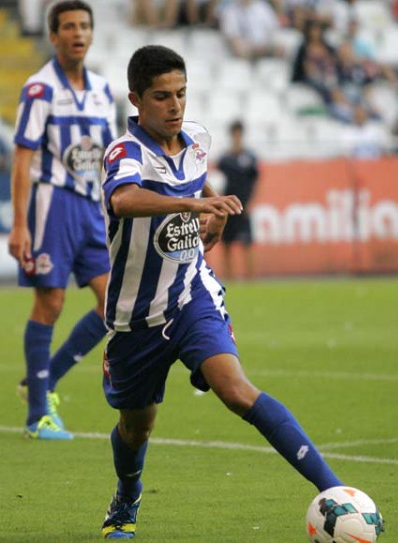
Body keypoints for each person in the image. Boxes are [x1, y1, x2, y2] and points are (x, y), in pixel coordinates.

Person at [98, 44, 343, 540]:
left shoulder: (197, 140)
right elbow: (123, 201)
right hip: (136, 317)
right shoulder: (123, 153)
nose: (175, 105)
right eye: (162, 96)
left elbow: (203, 189)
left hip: (192, 295)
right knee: (135, 426)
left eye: (182, 94)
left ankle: (337, 495)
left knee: (235, 390)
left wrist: (213, 213)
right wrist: (188, 203)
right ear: (136, 101)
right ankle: (127, 494)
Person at [8, 0, 116, 440]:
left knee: (114, 305)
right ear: (53, 36)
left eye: (84, 26)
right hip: (53, 205)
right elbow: (22, 158)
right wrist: (20, 224)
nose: (77, 33)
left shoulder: (104, 91)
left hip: (91, 208)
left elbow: (111, 156)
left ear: (91, 33)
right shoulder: (39, 89)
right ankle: (38, 415)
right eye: (68, 26)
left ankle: (45, 380)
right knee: (49, 304)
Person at [218, 120, 259, 280]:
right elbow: (219, 181)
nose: (236, 136)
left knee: (246, 243)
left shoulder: (250, 157)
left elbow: (255, 182)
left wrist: (252, 203)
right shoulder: (225, 159)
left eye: (239, 133)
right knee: (227, 243)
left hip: (244, 206)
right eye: (234, 133)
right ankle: (230, 278)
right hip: (229, 205)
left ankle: (251, 278)